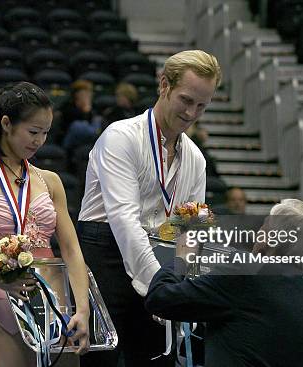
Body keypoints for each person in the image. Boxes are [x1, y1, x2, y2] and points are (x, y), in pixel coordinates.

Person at [77, 50, 222, 367]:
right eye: (186, 100)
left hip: (160, 260)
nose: (191, 112)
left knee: (158, 360)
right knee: (100, 361)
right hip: (105, 258)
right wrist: (160, 286)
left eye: (201, 105)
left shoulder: (195, 159)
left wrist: (182, 286)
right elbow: (125, 222)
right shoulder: (120, 137)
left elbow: (188, 231)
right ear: (164, 85)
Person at [0, 82, 91, 366]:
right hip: (5, 301)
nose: (39, 141)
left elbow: (72, 250)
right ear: (6, 124)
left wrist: (83, 308)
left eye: (45, 133)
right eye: (33, 132)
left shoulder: (50, 180)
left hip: (57, 302)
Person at [145, 199, 303, 366]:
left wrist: (183, 258)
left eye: (263, 226)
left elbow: (160, 298)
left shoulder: (247, 271)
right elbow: (249, 338)